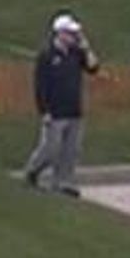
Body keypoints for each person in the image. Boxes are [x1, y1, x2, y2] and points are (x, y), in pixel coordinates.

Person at [22, 12, 100, 197]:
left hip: (74, 110)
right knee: (50, 148)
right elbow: (40, 86)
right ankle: (32, 170)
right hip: (55, 112)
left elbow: (93, 67)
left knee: (70, 151)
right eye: (71, 33)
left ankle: (63, 182)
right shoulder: (47, 56)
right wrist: (44, 111)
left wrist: (86, 47)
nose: (74, 37)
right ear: (60, 33)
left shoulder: (76, 53)